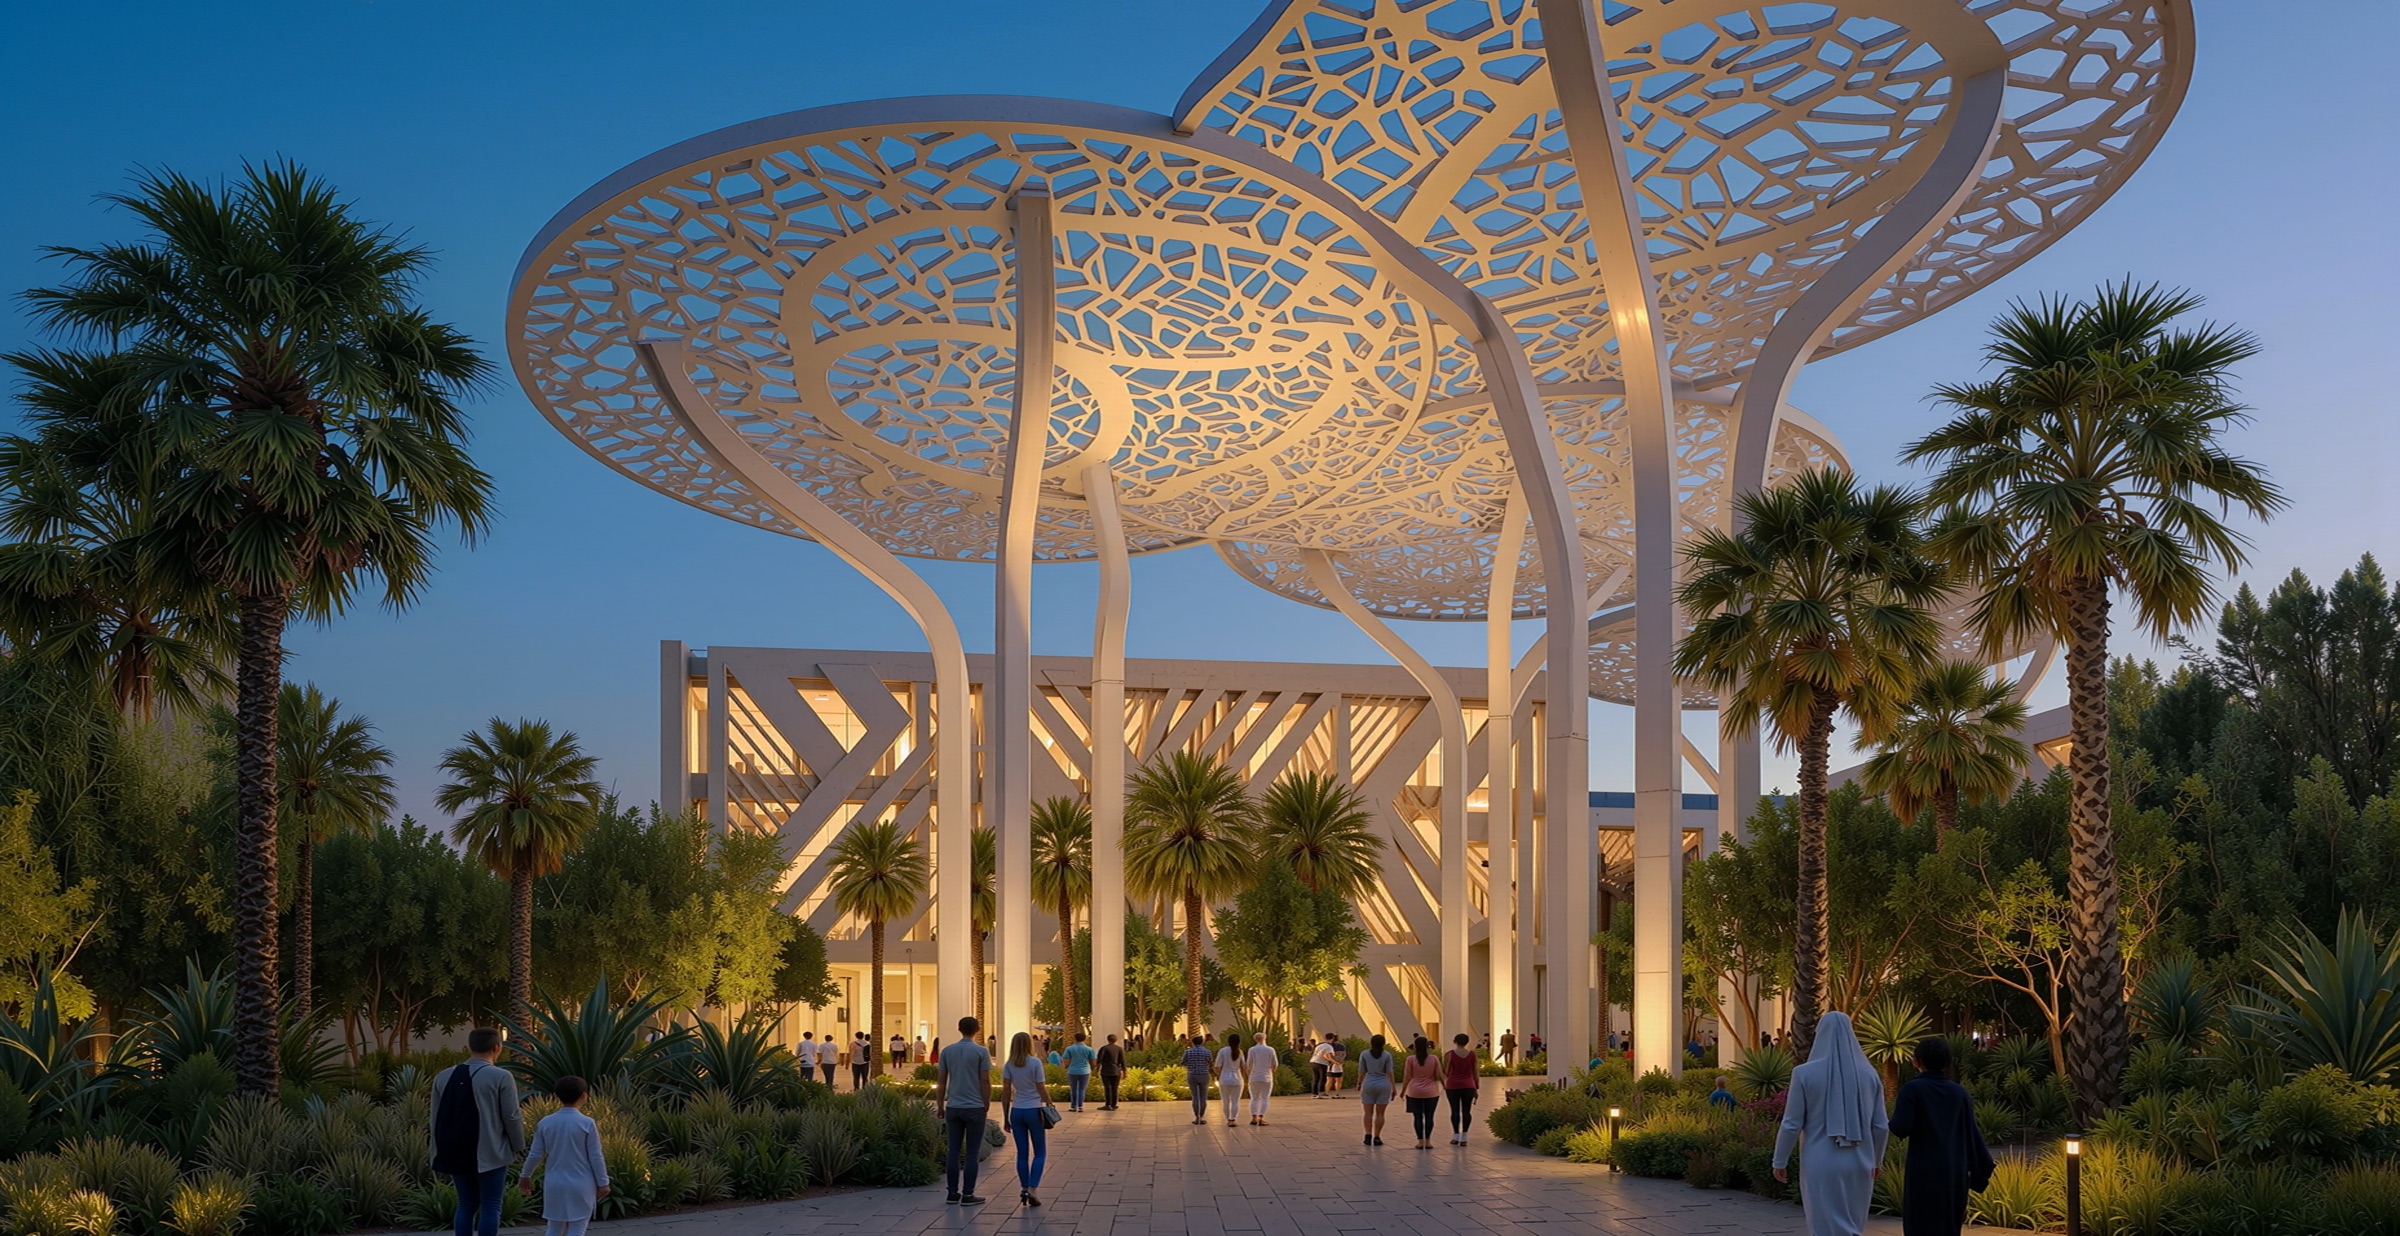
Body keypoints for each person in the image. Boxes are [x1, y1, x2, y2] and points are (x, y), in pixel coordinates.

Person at [1773, 1011, 1889, 1236]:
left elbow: (1791, 1124)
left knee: (1823, 1226)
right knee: (1853, 1226)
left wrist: (1780, 1160)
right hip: (1860, 1163)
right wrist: (1877, 1160)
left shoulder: (1804, 1073)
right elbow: (1881, 1125)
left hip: (1820, 1162)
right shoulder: (1870, 1075)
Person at [1890, 1036, 1993, 1236]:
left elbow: (1900, 1127)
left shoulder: (1912, 1089)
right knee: (1949, 1227)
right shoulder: (1959, 1093)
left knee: (1920, 1227)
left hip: (1923, 1173)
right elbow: (1971, 1132)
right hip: (1955, 1173)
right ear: (1947, 1062)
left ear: (1916, 1061)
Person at [428, 1027, 526, 1236]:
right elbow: (512, 1117)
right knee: (491, 1206)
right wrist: (518, 1146)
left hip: (455, 1150)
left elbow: (434, 1117)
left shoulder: (443, 1076)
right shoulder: (501, 1076)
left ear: (469, 1047)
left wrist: (436, 1150)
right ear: (497, 1047)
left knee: (465, 1205)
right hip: (491, 1152)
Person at [518, 1075, 609, 1236]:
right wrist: (603, 1182)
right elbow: (596, 1156)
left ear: (557, 1095)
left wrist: (525, 1175)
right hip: (582, 1183)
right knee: (578, 1227)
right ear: (583, 1095)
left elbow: (535, 1154)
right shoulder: (587, 1123)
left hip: (554, 1183)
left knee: (554, 1227)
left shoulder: (546, 1122)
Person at [938, 1016, 994, 1206]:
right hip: (974, 1106)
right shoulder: (981, 1052)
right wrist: (986, 1102)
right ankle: (968, 1194)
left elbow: (941, 1081)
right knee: (972, 1152)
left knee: (952, 1150)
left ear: (958, 1028)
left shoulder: (947, 1051)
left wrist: (940, 1105)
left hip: (954, 1106)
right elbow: (985, 1080)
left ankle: (952, 1193)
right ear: (977, 1029)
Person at [1001, 1031, 1052, 1208]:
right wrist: (1049, 1103)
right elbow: (1041, 1087)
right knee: (1040, 1152)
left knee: (1022, 1153)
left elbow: (1006, 1092)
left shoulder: (1009, 1065)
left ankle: (1023, 1187)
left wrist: (1006, 1115)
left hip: (1017, 1110)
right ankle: (1033, 1188)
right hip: (1034, 1110)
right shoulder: (1035, 1062)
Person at [1401, 1036, 1445, 1149]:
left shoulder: (1410, 1059)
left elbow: (1407, 1077)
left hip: (1414, 1092)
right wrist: (1445, 1086)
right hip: (1431, 1092)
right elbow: (1439, 1074)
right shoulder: (1434, 1059)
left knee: (1417, 1117)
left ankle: (1420, 1141)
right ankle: (1428, 1141)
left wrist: (1403, 1091)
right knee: (1429, 1117)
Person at [1355, 1033, 1394, 1146]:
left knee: (1368, 1112)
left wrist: (1359, 1083)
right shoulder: (1387, 1055)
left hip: (1369, 1083)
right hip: (1383, 1083)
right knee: (1380, 1114)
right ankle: (1377, 1137)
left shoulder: (1365, 1054)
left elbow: (1361, 1071)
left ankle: (1367, 1135)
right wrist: (1393, 1087)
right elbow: (1390, 1072)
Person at [1441, 1033, 1479, 1145]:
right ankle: (1464, 1137)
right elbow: (1475, 1072)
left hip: (1453, 1085)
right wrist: (1476, 1087)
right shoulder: (1472, 1055)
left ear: (1454, 1041)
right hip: (1468, 1085)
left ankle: (1456, 1135)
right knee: (1466, 1111)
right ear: (1467, 1042)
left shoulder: (1449, 1054)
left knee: (1455, 1110)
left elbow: (1446, 1071)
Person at [1214, 1032, 1247, 1127]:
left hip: (1224, 1078)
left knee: (1225, 1101)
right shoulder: (1240, 1052)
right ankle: (1233, 1119)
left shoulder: (1223, 1051)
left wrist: (1219, 1075)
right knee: (1235, 1101)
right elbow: (1243, 1067)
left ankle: (1228, 1119)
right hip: (1237, 1078)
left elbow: (1217, 1066)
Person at [1244, 1033, 1278, 1126]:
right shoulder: (1270, 1050)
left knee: (1254, 1098)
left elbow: (1248, 1064)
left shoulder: (1252, 1050)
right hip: (1266, 1076)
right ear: (1265, 1038)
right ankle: (1261, 1117)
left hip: (1254, 1076)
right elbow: (1274, 1064)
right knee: (1265, 1098)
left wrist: (1249, 1075)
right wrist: (1271, 1072)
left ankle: (1254, 1117)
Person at [1181, 1034, 1214, 1125]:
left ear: (1193, 1042)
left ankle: (1197, 1117)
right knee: (1203, 1097)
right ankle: (1202, 1116)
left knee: (1195, 1097)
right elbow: (1210, 1061)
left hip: (1192, 1075)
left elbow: (1183, 1062)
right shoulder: (1207, 1052)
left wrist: (1190, 1065)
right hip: (1204, 1074)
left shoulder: (1188, 1052)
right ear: (1202, 1042)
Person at [1062, 1032, 1097, 1112]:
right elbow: (1093, 1061)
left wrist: (1066, 1066)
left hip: (1072, 1071)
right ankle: (1080, 1106)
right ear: (1084, 1039)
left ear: (1075, 1039)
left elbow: (1065, 1059)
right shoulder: (1089, 1049)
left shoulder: (1069, 1049)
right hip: (1085, 1071)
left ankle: (1073, 1106)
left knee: (1073, 1089)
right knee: (1082, 1089)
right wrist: (1092, 1068)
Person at [1097, 1033, 1127, 1111]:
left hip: (1106, 1071)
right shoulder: (1119, 1049)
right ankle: (1114, 1104)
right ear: (1115, 1040)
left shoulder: (1104, 1048)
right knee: (1115, 1088)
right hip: (1116, 1071)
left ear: (1108, 1039)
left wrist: (1096, 1069)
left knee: (1107, 1088)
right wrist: (1125, 1071)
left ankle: (1108, 1104)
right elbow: (1122, 1061)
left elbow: (1099, 1060)